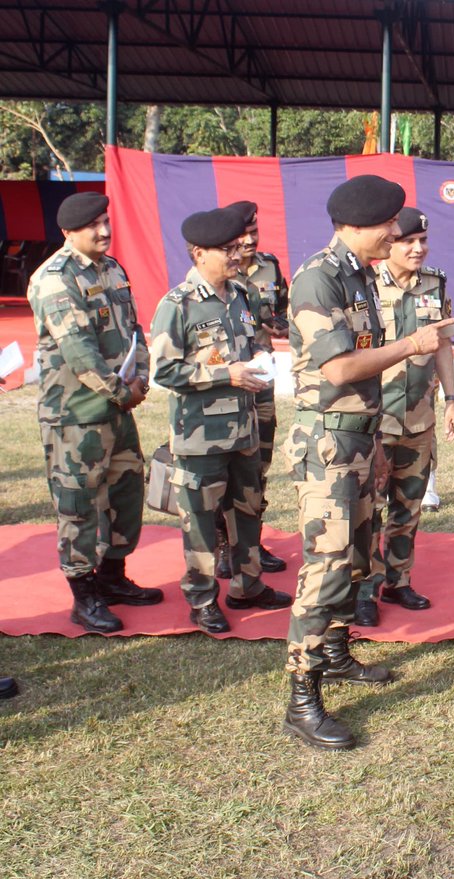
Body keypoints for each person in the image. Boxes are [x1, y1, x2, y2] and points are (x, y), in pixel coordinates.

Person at [283, 175, 454, 750]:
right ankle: (302, 699)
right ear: (358, 225)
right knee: (326, 566)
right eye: (388, 225)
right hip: (328, 445)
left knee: (355, 557)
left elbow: (363, 371)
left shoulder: (355, 275)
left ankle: (334, 654)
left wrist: (377, 441)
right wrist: (413, 345)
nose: (396, 235)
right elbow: (338, 369)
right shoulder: (319, 278)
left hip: (359, 438)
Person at [149, 207, 294, 635]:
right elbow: (164, 370)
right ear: (199, 253)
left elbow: (248, 346)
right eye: (227, 250)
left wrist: (258, 364)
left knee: (247, 511)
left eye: (237, 247)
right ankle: (201, 599)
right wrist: (223, 373)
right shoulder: (178, 306)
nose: (237, 255)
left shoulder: (244, 296)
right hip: (200, 438)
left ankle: (248, 586)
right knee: (199, 519)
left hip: (244, 428)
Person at [27, 191, 161, 633]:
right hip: (76, 415)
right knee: (80, 505)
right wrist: (123, 392)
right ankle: (84, 597)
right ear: (68, 234)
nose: (104, 231)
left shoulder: (112, 269)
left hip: (117, 408)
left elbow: (133, 330)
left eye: (106, 221)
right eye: (93, 226)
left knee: (125, 493)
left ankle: (113, 579)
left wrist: (139, 375)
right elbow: (80, 353)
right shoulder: (55, 278)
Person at [355, 206, 454, 626]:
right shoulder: (365, 285)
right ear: (389, 245)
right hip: (376, 419)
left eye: (423, 242)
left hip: (419, 417)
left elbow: (444, 345)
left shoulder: (435, 284)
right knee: (369, 508)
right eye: (408, 242)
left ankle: (399, 580)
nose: (418, 249)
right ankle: (365, 588)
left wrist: (451, 398)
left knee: (408, 505)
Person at [222, 199, 290, 576]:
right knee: (225, 466)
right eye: (242, 235)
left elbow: (280, 308)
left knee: (257, 465)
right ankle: (223, 545)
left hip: (261, 380)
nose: (249, 241)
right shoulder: (214, 272)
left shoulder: (270, 266)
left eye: (254, 233)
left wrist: (278, 324)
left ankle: (252, 542)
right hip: (227, 384)